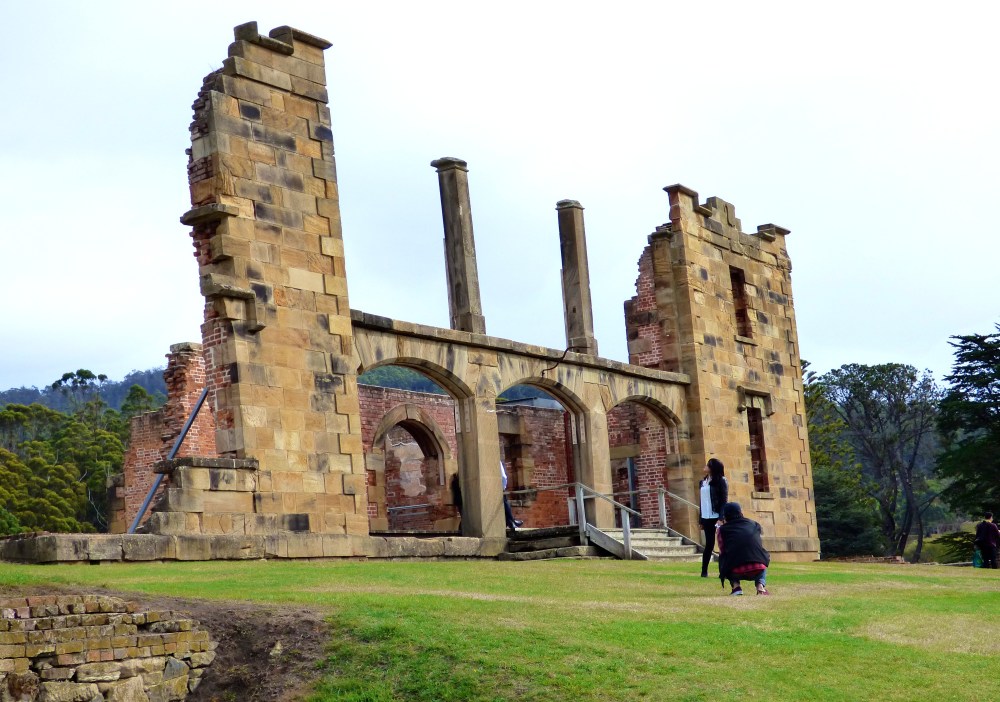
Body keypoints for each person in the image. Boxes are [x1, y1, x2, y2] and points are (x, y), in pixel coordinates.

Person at [717, 502, 770, 596]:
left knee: (723, 558)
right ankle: (760, 586)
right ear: (740, 513)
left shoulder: (722, 530)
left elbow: (722, 550)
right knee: (762, 555)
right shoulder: (754, 524)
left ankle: (736, 586)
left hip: (735, 571)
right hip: (757, 568)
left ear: (725, 516)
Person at [698, 458, 728, 577]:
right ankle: (704, 571)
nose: (705, 467)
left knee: (722, 544)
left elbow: (723, 500)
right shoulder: (702, 482)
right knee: (709, 544)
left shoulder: (721, 481)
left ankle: (723, 571)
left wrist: (721, 518)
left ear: (712, 468)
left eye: (708, 465)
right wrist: (700, 520)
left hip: (716, 516)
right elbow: (702, 502)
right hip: (706, 516)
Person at [501, 461, 523, 530]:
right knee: (505, 502)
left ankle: (511, 521)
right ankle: (511, 521)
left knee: (505, 502)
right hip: (499, 486)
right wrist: (503, 486)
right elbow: (503, 477)